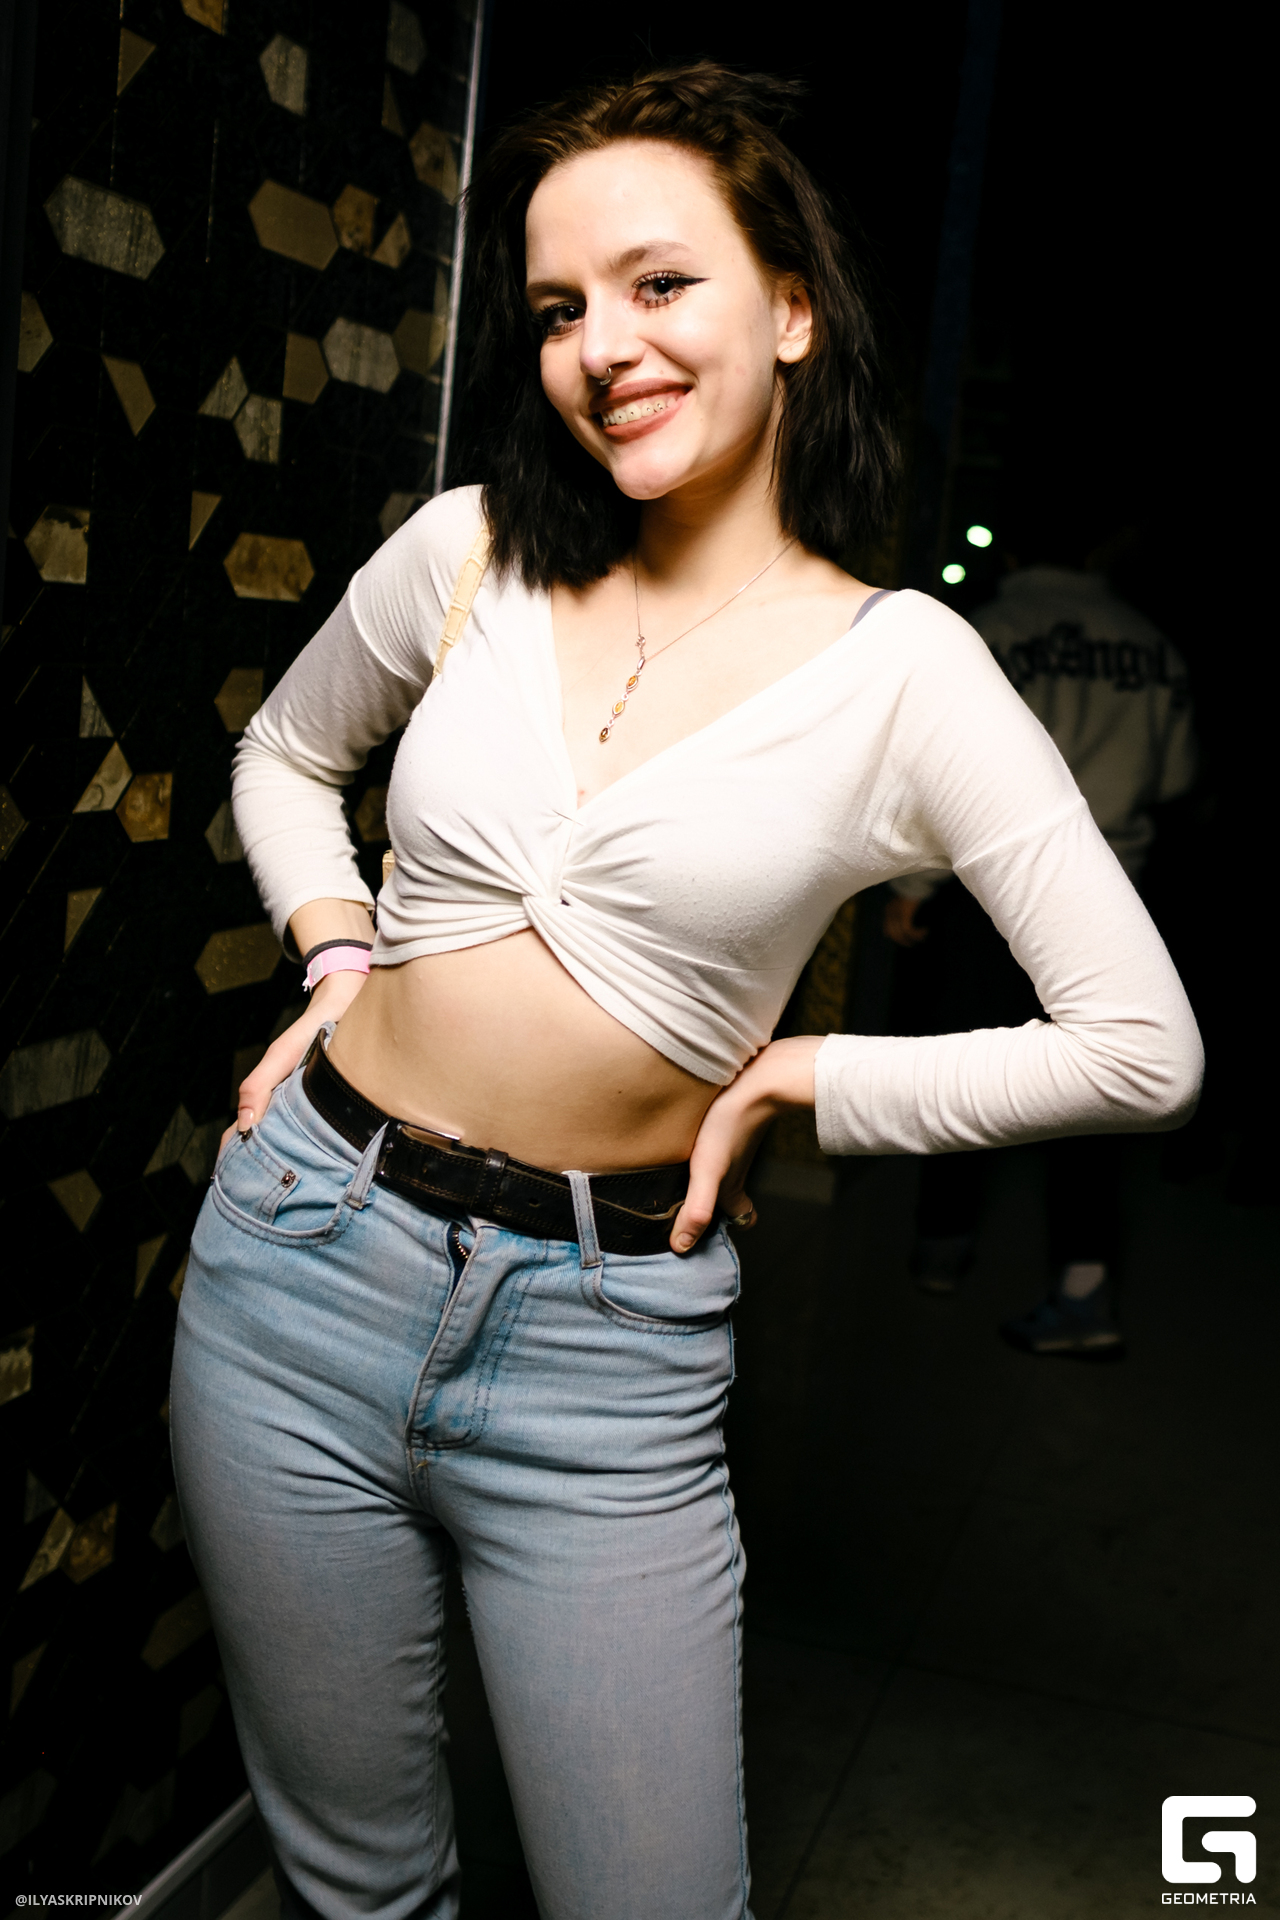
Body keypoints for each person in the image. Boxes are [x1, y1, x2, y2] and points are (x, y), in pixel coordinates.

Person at [168, 65, 1201, 1920]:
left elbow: (1140, 1046)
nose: (604, 346)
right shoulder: (466, 551)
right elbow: (283, 756)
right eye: (561, 307)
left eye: (660, 284)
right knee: (356, 1890)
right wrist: (338, 954)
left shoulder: (908, 672)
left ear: (792, 308)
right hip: (294, 1256)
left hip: (602, 1342)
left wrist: (804, 1074)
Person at [885, 531, 1197, 1358]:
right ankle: (1084, 1291)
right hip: (1114, 895)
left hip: (996, 896)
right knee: (1098, 1091)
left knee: (964, 1064)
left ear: (1015, 554)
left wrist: (915, 888)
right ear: (1095, 555)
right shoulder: (1152, 644)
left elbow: (947, 772)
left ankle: (941, 1247)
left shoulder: (991, 629)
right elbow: (1174, 780)